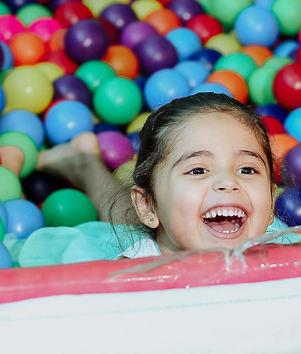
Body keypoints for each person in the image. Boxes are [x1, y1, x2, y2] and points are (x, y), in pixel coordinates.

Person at [34, 92, 284, 260]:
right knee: (129, 225)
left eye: (247, 170)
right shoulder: (129, 275)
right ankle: (86, 166)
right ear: (147, 205)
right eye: (198, 170)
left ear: (272, 200)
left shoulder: (290, 257)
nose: (229, 182)